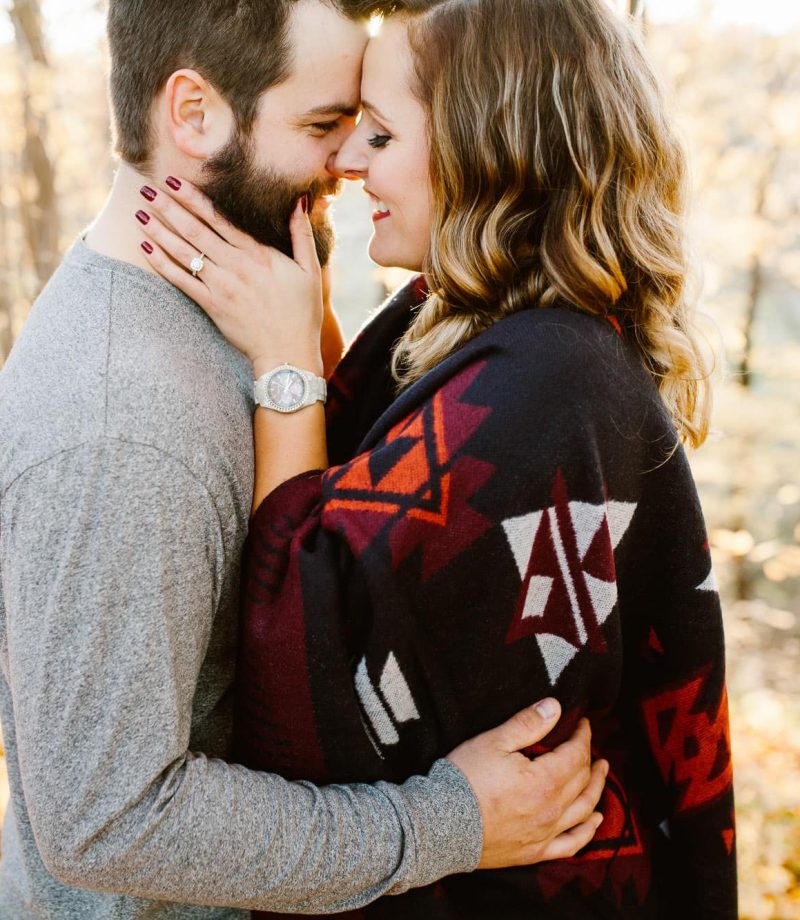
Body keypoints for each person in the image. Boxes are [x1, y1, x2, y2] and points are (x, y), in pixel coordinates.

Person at [0, 1, 608, 918]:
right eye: (324, 126)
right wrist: (447, 826)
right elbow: (105, 819)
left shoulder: (235, 313)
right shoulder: (119, 427)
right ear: (196, 114)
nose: (349, 159)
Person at [138, 0, 739, 916]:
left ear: (484, 145)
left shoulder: (549, 381)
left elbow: (305, 641)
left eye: (379, 135)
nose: (346, 159)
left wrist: (289, 371)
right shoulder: (479, 331)